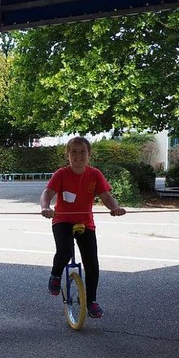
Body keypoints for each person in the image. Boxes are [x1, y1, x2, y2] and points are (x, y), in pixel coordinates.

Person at [40, 136, 126, 318]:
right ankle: (55, 276)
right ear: (68, 155)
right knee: (65, 251)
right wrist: (45, 207)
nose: (78, 156)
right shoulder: (61, 174)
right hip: (62, 220)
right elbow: (47, 193)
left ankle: (92, 301)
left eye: (82, 152)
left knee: (92, 263)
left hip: (85, 222)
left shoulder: (94, 174)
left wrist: (115, 208)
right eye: (74, 152)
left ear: (89, 154)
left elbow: (106, 196)